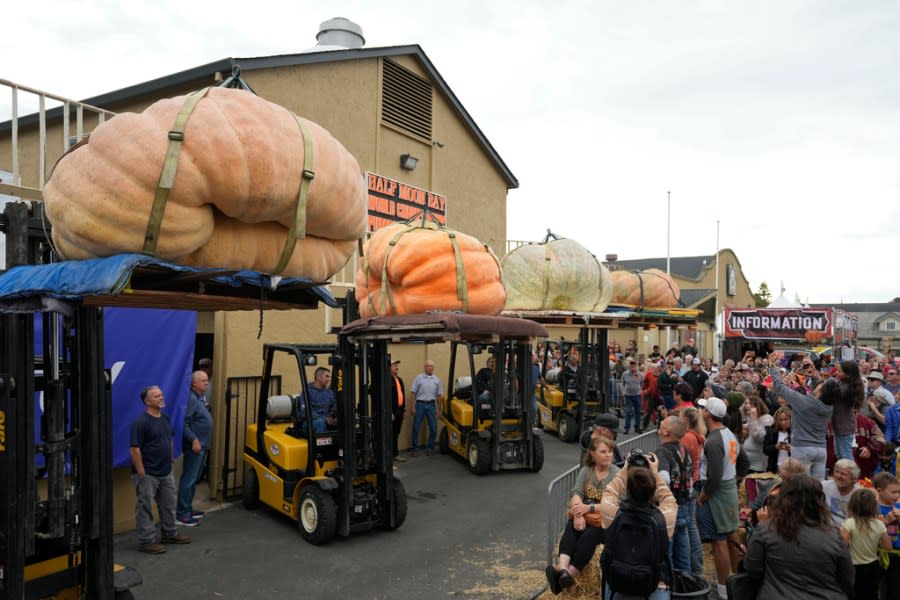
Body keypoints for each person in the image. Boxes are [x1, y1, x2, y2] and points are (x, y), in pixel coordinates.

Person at [743, 474, 854, 599]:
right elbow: (847, 578)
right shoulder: (833, 535)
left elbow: (752, 569)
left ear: (783, 499)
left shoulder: (766, 529)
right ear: (819, 502)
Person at [545, 436, 620, 594]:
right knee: (571, 529)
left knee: (588, 537)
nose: (608, 455)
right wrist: (579, 515)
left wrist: (588, 509)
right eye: (603, 451)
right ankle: (563, 570)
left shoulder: (617, 474)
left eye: (610, 451)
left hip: (604, 521)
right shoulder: (586, 470)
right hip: (584, 514)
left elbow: (614, 504)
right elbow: (576, 492)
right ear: (592, 454)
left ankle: (567, 577)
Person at [599, 451, 677, 600]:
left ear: (627, 488)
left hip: (618, 584)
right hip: (653, 586)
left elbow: (611, 491)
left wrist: (626, 468)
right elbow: (668, 499)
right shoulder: (664, 518)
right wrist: (654, 472)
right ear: (653, 490)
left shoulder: (612, 513)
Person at [129, 385, 190, 553]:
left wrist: (169, 459)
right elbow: (134, 449)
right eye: (157, 396)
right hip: (147, 474)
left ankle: (170, 534)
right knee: (145, 507)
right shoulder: (140, 422)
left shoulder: (164, 418)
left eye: (161, 395)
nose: (161, 398)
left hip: (165, 471)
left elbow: (169, 439)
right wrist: (141, 472)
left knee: (169, 504)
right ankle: (147, 542)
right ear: (147, 401)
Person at [695, 396, 740, 600]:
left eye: (704, 409)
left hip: (717, 493)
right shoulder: (729, 433)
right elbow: (744, 460)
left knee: (719, 541)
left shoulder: (713, 440)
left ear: (707, 414)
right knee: (732, 537)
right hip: (728, 489)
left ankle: (723, 590)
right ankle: (738, 583)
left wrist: (703, 496)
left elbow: (714, 476)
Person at [767, 363, 832, 480]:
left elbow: (780, 387)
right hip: (821, 449)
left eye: (820, 386)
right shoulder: (830, 407)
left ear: (820, 392)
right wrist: (814, 377)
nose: (818, 386)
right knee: (819, 484)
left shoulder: (803, 402)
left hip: (803, 447)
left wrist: (773, 369)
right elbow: (818, 391)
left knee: (800, 482)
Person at [655, 416, 694, 573]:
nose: (660, 423)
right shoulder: (684, 449)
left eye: (663, 423)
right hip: (683, 504)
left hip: (670, 508)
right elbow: (690, 479)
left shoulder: (662, 451)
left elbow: (664, 478)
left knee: (667, 553)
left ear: (667, 431)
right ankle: (687, 585)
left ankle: (669, 589)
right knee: (683, 552)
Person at [176, 370, 213, 527]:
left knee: (194, 479)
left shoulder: (199, 398)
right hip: (195, 447)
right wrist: (194, 440)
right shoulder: (191, 398)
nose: (206, 382)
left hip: (202, 445)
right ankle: (182, 514)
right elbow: (184, 423)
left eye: (206, 380)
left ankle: (188, 509)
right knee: (189, 479)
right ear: (193, 383)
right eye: (203, 380)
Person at [841, 488, 891, 600]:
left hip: (853, 566)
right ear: (874, 506)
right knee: (871, 594)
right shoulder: (879, 524)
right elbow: (888, 547)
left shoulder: (849, 523)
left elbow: (842, 545)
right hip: (873, 565)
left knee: (853, 594)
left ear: (852, 505)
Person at [821, 360, 866, 461]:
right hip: (839, 426)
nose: (836, 373)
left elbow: (833, 389)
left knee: (845, 455)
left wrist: (830, 380)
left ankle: (851, 475)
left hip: (844, 426)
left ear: (848, 374)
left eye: (840, 371)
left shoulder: (846, 388)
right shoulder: (842, 384)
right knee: (839, 454)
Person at [873, 472, 900, 599]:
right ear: (880, 491)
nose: (897, 496)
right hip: (876, 553)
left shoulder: (899, 507)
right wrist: (886, 521)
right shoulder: (873, 508)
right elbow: (868, 530)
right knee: (873, 586)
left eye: (899, 492)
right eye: (893, 492)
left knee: (894, 590)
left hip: (896, 554)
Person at [410, 359, 443, 457]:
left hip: (431, 406)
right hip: (420, 405)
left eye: (432, 366)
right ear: (425, 367)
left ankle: (430, 448)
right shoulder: (419, 378)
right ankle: (415, 449)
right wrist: (412, 407)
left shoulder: (437, 380)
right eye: (428, 366)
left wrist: (439, 410)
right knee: (416, 427)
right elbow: (413, 393)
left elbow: (439, 396)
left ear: (434, 368)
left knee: (433, 428)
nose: (430, 368)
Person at [822, 459, 861, 527]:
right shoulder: (824, 486)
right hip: (826, 527)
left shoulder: (859, 495)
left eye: (843, 474)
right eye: (836, 472)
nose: (838, 476)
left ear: (853, 478)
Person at [304, 367, 337, 433]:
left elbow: (334, 407)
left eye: (329, 377)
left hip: (326, 419)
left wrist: (334, 417)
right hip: (310, 421)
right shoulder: (307, 392)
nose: (328, 379)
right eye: (326, 376)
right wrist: (325, 419)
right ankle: (319, 443)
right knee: (320, 423)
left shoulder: (329, 393)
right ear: (318, 377)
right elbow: (305, 412)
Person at [762, 406, 792, 474]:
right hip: (775, 467)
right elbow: (765, 450)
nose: (783, 422)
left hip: (790, 467)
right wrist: (776, 447)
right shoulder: (771, 432)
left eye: (786, 419)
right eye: (781, 420)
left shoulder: (794, 433)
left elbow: (801, 451)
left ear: (790, 419)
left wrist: (791, 449)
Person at [390, 360, 406, 463]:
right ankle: (390, 455)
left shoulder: (399, 380)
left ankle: (394, 454)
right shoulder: (387, 380)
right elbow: (386, 398)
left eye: (397, 365)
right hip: (392, 412)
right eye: (394, 365)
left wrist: (404, 410)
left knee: (396, 433)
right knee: (391, 433)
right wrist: (390, 412)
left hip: (399, 410)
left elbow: (402, 395)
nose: (397, 367)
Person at [621, 359, 643, 434]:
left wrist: (638, 390)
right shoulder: (625, 374)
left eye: (634, 365)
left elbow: (641, 384)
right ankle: (626, 428)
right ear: (629, 366)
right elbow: (623, 383)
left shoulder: (640, 374)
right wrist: (624, 392)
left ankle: (637, 427)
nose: (633, 366)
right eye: (631, 365)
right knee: (628, 412)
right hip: (628, 396)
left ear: (636, 366)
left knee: (638, 412)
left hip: (637, 395)